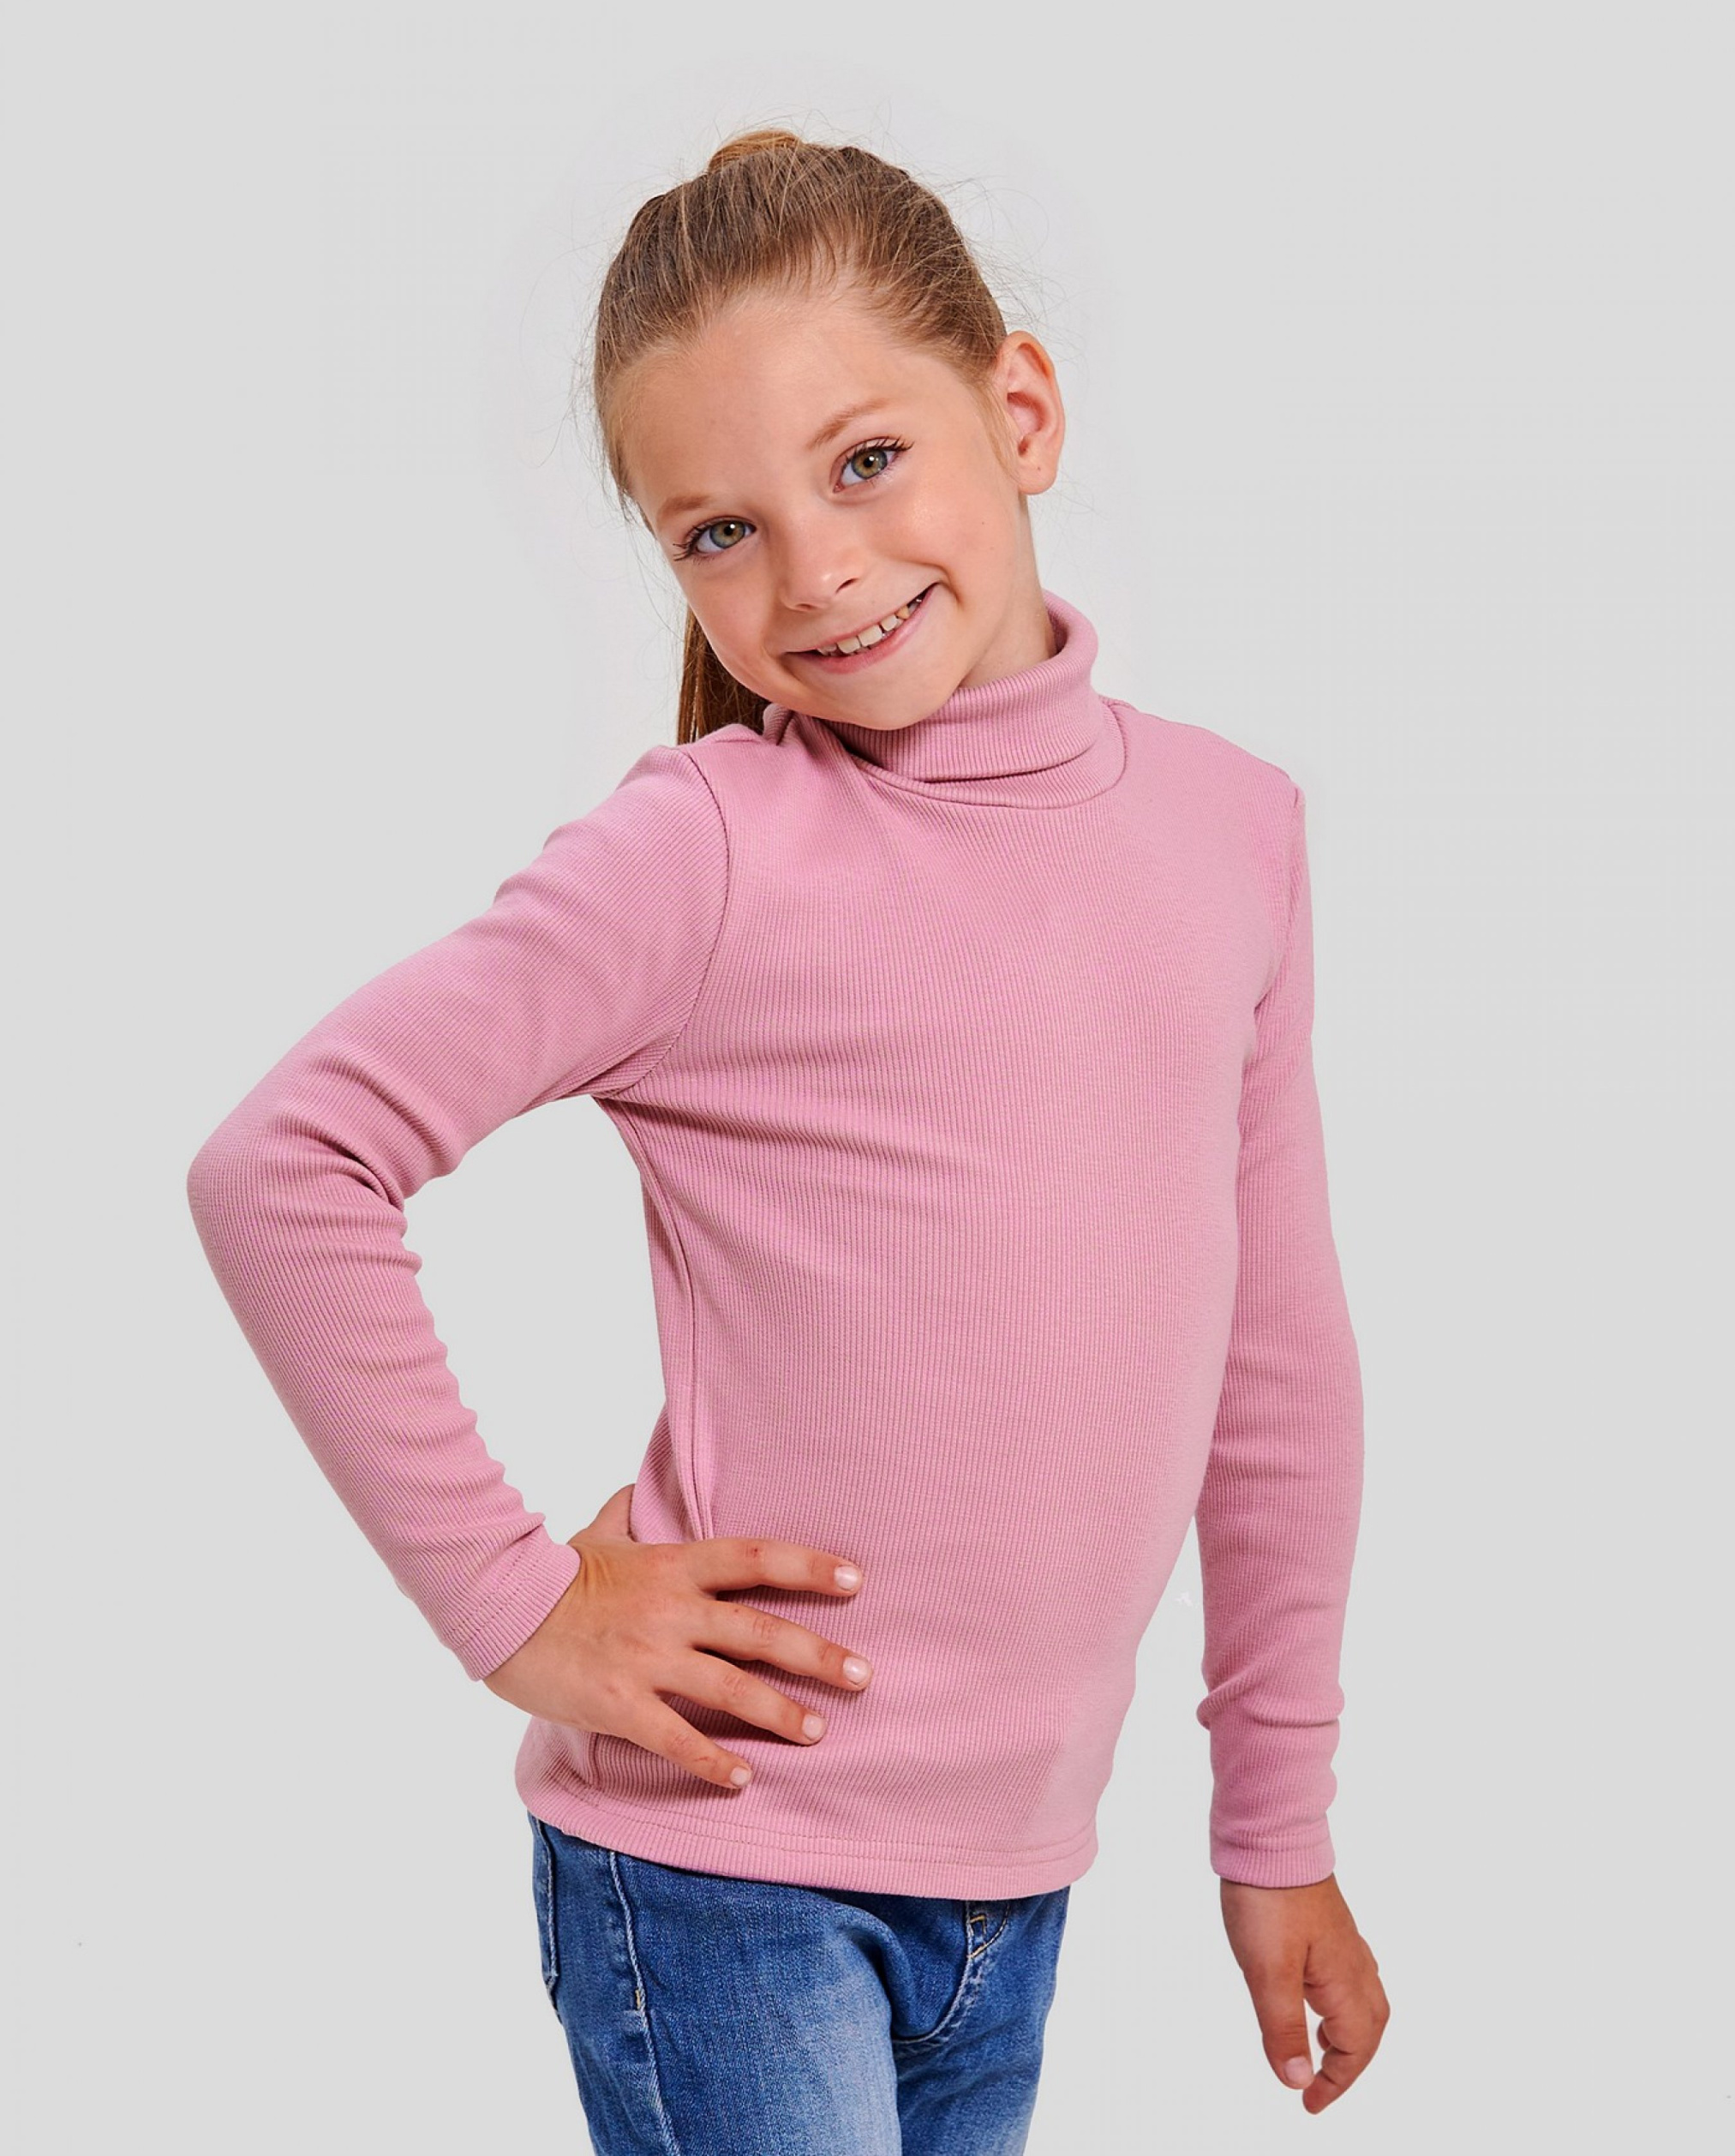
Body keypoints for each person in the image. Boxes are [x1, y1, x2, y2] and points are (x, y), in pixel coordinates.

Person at [187, 127, 1390, 2150]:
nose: (815, 571)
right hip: (722, 1873)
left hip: (1016, 1878)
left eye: (864, 462)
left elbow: (1271, 1369)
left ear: (1019, 408)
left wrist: (1275, 1830)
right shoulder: (707, 850)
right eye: (717, 530)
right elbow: (284, 1166)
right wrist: (515, 1605)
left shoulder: (1226, 831)